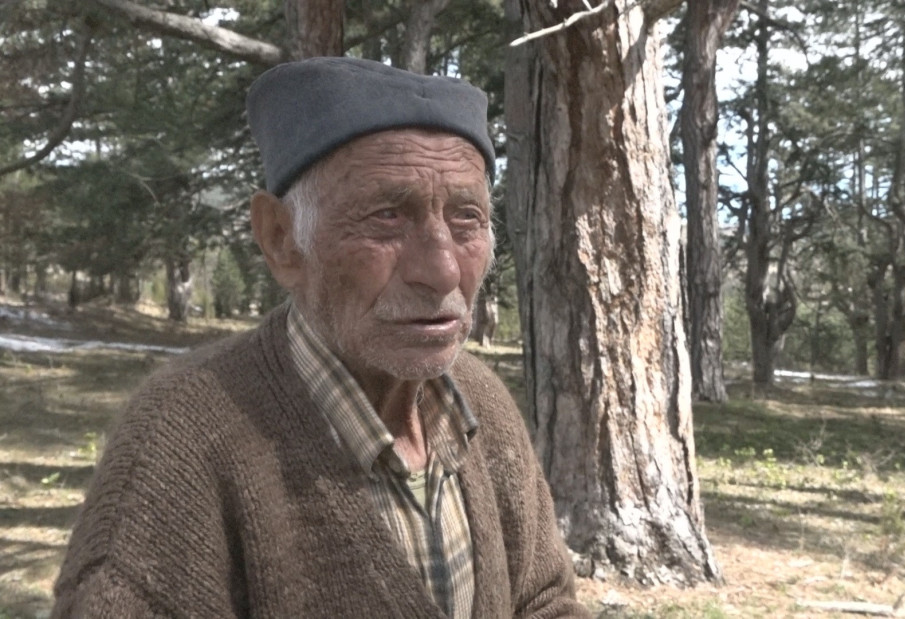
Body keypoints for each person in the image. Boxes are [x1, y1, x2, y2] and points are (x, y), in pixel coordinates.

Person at [52, 57, 588, 618]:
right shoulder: (180, 442)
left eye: (467, 219)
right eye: (387, 216)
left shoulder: (481, 403)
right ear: (281, 239)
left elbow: (542, 601)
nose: (444, 270)